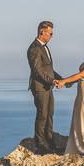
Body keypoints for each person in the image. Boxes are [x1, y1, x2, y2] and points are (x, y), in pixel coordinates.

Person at [27, 20, 63, 154]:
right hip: (40, 87)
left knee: (50, 115)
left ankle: (50, 142)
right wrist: (52, 81)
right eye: (50, 33)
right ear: (42, 32)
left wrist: (63, 80)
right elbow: (37, 71)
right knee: (42, 115)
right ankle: (40, 145)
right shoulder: (34, 48)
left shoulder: (44, 47)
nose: (52, 36)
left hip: (47, 86)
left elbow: (49, 69)